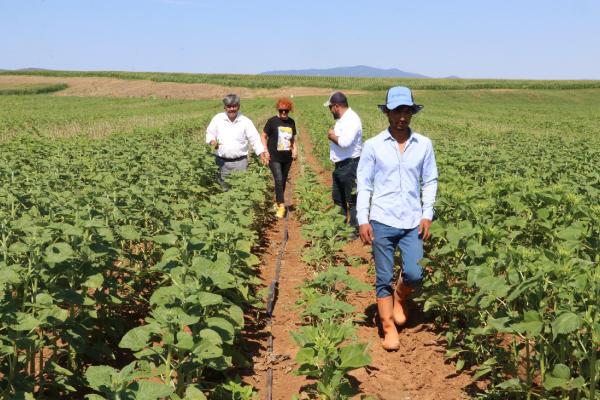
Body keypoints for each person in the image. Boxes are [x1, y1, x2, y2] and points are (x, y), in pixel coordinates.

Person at [356, 86, 438, 351]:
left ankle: (400, 297)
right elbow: (364, 184)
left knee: (415, 273)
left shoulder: (423, 145)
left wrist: (427, 214)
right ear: (387, 113)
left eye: (407, 110)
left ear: (412, 113)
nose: (402, 116)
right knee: (383, 277)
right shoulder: (373, 146)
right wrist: (362, 219)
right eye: (397, 110)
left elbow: (430, 181)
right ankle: (389, 328)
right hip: (381, 218)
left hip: (412, 220)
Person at [205, 93, 267, 189]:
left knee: (240, 189)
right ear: (225, 107)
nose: (232, 109)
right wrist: (212, 141)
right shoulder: (218, 119)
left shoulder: (245, 121)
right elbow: (210, 133)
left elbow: (254, 139)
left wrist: (261, 154)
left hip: (240, 163)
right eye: (229, 106)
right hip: (221, 162)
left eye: (234, 106)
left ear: (238, 106)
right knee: (224, 189)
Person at [324, 92, 363, 235]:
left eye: (330, 108)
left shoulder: (352, 120)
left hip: (350, 165)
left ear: (336, 106)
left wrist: (331, 136)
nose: (330, 111)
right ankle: (340, 229)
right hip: (341, 165)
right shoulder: (343, 119)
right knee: (338, 198)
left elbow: (345, 142)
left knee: (351, 199)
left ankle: (354, 230)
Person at [261, 97, 297, 218]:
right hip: (274, 156)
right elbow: (263, 136)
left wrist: (294, 150)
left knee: (283, 179)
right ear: (278, 109)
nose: (283, 113)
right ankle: (281, 206)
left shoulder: (291, 122)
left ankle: (277, 202)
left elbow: (292, 139)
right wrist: (265, 151)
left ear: (289, 111)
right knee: (279, 178)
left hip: (287, 157)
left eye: (286, 111)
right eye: (281, 110)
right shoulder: (272, 121)